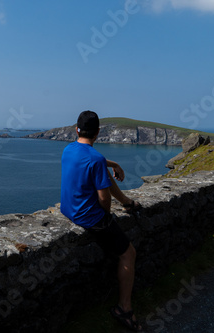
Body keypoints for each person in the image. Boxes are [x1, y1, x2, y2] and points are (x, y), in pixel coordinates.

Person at [60, 110, 143, 332]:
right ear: (98, 132)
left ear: (76, 130)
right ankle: (124, 309)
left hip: (67, 210)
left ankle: (126, 200)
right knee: (129, 253)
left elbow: (93, 161)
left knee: (101, 175)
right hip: (89, 217)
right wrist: (106, 215)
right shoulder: (95, 159)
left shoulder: (68, 149)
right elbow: (103, 198)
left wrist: (113, 163)